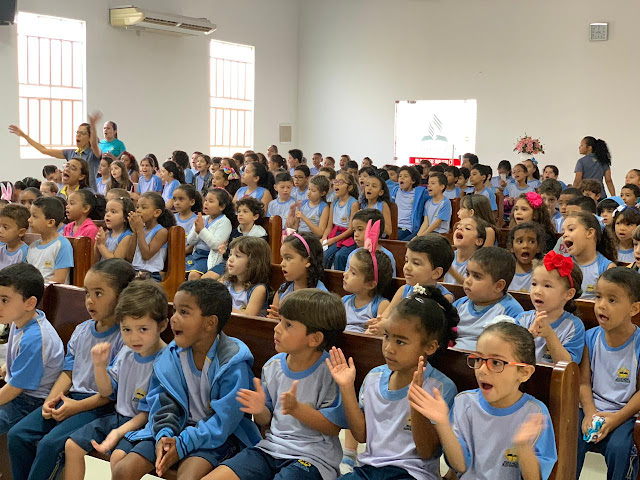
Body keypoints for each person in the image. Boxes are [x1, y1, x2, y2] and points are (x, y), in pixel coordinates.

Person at [112, 280, 261, 479]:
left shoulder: (232, 363)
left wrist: (182, 444)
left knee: (187, 477)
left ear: (210, 323)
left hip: (216, 437)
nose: (173, 318)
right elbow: (162, 403)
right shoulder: (171, 355)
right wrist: (164, 436)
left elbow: (224, 422)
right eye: (175, 310)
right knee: (123, 470)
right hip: (175, 429)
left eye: (184, 312)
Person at [7, 259, 135, 480]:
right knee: (18, 435)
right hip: (71, 399)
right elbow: (68, 372)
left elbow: (111, 394)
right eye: (87, 293)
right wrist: (51, 399)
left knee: (50, 445)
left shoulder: (126, 338)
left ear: (122, 296)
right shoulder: (82, 330)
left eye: (98, 294)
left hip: (100, 407)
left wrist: (76, 407)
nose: (90, 301)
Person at [205, 289, 347, 480]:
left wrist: (297, 409)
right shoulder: (273, 366)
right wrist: (259, 410)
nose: (277, 328)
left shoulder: (330, 371)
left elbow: (333, 427)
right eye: (280, 320)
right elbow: (266, 419)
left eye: (288, 325)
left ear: (314, 339)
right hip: (270, 449)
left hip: (312, 458)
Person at [329, 285, 458, 479]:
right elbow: (362, 435)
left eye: (400, 342)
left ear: (430, 347)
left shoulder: (440, 388)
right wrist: (346, 387)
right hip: (369, 469)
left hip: (412, 474)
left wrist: (415, 403)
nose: (389, 348)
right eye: (386, 336)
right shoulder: (374, 377)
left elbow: (427, 452)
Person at [409, 321, 557, 479]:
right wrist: (442, 423)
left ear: (524, 373)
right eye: (479, 359)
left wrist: (524, 448)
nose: (482, 370)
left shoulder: (535, 412)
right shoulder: (464, 402)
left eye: (496, 363)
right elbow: (460, 465)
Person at [63, 281, 168, 480]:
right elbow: (106, 391)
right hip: (118, 416)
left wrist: (118, 433)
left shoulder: (165, 361)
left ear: (162, 325)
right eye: (126, 330)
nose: (134, 337)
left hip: (144, 425)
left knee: (118, 458)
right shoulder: (127, 352)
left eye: (143, 329)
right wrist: (99, 366)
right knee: (72, 446)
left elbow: (147, 414)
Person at [577, 268, 640, 479]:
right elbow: (583, 383)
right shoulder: (589, 338)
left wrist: (616, 419)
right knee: (569, 436)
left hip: (626, 413)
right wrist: (590, 413)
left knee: (620, 448)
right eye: (598, 297)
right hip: (591, 408)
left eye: (612, 300)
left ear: (634, 308)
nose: (601, 305)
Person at [0, 263, 63, 434]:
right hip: (18, 391)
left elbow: (16, 388)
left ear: (30, 303)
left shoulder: (35, 338)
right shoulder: (19, 319)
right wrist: (8, 366)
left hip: (30, 402)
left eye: (4, 300)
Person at [515, 251, 584, 364]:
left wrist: (549, 335)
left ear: (568, 294)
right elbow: (510, 354)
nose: (537, 291)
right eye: (534, 284)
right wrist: (529, 335)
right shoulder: (522, 319)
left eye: (547, 286)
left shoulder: (573, 326)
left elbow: (568, 366)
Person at [453, 247, 524, 349]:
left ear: (498, 286)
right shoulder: (460, 304)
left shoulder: (510, 311)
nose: (467, 281)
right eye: (467, 274)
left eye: (477, 276)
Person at [9, 119, 101, 192]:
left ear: (90, 137)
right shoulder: (70, 153)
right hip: (72, 193)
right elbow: (44, 150)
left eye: (82, 133)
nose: (78, 135)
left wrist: (93, 127)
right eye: (77, 132)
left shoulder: (93, 154)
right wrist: (24, 136)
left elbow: (94, 144)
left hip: (89, 193)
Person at [342, 220, 393, 333]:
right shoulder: (344, 301)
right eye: (348, 269)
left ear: (370, 284)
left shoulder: (380, 305)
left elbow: (379, 332)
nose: (345, 274)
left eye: (353, 272)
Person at [268, 232, 327, 317]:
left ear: (307, 261)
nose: (282, 264)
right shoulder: (283, 290)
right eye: (282, 258)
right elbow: (271, 318)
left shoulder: (320, 297)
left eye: (288, 258)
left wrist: (283, 321)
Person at [562, 212, 616, 299]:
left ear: (590, 233)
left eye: (571, 229)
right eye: (563, 232)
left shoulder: (607, 268)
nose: (565, 235)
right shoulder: (562, 265)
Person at [186, 188, 233, 280]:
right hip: (196, 254)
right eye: (206, 200)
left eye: (211, 201)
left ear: (221, 207)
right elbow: (190, 241)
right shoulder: (202, 218)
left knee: (193, 275)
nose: (206, 203)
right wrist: (197, 230)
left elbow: (216, 245)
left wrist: (201, 230)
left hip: (207, 257)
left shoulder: (224, 222)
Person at [127, 192, 175, 282]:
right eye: (137, 207)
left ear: (156, 213)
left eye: (144, 207)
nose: (138, 211)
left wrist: (139, 230)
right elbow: (129, 258)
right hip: (135, 272)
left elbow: (146, 255)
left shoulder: (161, 231)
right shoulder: (141, 229)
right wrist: (135, 232)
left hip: (151, 275)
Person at [27, 197, 74, 284]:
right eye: (30, 215)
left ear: (50, 222)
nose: (29, 220)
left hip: (51, 291)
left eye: (35, 216)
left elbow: (59, 280)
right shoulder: (32, 246)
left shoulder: (62, 245)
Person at [221, 237, 270, 316]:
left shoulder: (258, 290)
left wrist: (220, 306)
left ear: (253, 262)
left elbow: (248, 318)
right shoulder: (226, 282)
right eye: (230, 254)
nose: (230, 259)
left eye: (237, 256)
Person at [342, 209, 396, 276]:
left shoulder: (387, 256)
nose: (355, 234)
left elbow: (390, 280)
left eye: (360, 229)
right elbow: (347, 277)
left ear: (375, 230)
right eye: (354, 230)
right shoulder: (353, 254)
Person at [322, 173, 359, 268]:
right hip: (334, 233)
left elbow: (350, 230)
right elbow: (329, 226)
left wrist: (333, 240)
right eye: (335, 182)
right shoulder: (334, 203)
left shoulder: (353, 203)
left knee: (336, 256)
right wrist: (324, 238)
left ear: (349, 187)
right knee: (322, 253)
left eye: (341, 182)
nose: (337, 184)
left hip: (348, 236)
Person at [443, 217, 486, 284]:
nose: (460, 228)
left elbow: (470, 285)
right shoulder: (448, 256)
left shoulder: (479, 263)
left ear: (479, 241)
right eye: (458, 227)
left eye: (467, 228)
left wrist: (450, 269)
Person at [391, 166, 429, 241]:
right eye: (400, 176)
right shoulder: (395, 190)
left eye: (405, 176)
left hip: (406, 227)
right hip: (394, 226)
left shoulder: (420, 193)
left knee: (396, 238)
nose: (402, 178)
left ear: (413, 181)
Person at [507, 222, 545, 292]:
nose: (525, 246)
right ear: (511, 247)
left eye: (531, 242)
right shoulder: (506, 271)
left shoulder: (542, 272)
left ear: (538, 248)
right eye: (520, 241)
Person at [95, 196, 135, 261]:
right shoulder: (106, 234)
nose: (107, 214)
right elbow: (95, 259)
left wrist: (101, 245)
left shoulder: (127, 236)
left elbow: (115, 261)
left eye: (113, 212)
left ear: (125, 217)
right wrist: (97, 242)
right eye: (106, 211)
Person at [0, 204, 29, 268]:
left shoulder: (24, 252)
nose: (0, 230)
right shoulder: (1, 247)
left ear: (21, 232)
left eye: (5, 227)